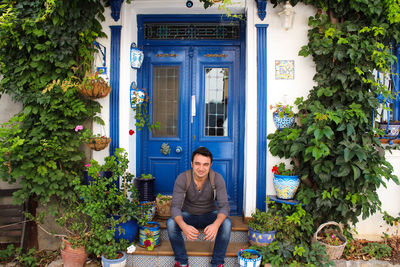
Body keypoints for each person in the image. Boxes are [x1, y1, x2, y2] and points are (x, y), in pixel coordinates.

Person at [167, 147, 232, 267]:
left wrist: (216, 225)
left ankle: (217, 263)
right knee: (171, 223)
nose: (201, 168)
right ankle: (182, 262)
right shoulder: (183, 178)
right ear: (192, 164)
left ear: (210, 165)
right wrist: (184, 226)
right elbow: (175, 207)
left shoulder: (217, 178)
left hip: (210, 215)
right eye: (197, 164)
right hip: (188, 215)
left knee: (226, 224)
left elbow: (224, 207)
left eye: (205, 164)